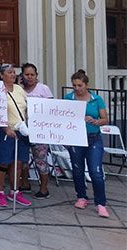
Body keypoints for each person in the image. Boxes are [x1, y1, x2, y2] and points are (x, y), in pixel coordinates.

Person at [64, 69, 110, 218]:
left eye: (79, 85)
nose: (77, 88)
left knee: (95, 172)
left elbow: (105, 119)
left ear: (86, 85)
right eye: (74, 86)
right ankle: (81, 196)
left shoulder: (96, 99)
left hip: (93, 138)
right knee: (77, 170)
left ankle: (101, 203)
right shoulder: (68, 98)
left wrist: (95, 121)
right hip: (76, 139)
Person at [0, 63, 32, 208]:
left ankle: (15, 191)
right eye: (9, 72)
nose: (13, 75)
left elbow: (26, 108)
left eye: (14, 72)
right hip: (3, 131)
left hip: (21, 130)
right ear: (1, 75)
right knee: (3, 162)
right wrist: (5, 127)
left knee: (18, 162)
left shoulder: (20, 89)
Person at [19, 63, 54, 199]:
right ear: (22, 76)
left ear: (36, 75)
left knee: (40, 160)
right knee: (23, 160)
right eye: (27, 74)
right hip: (22, 129)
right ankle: (25, 183)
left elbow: (51, 108)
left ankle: (44, 188)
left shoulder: (43, 89)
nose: (29, 77)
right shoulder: (19, 89)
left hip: (39, 130)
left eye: (32, 74)